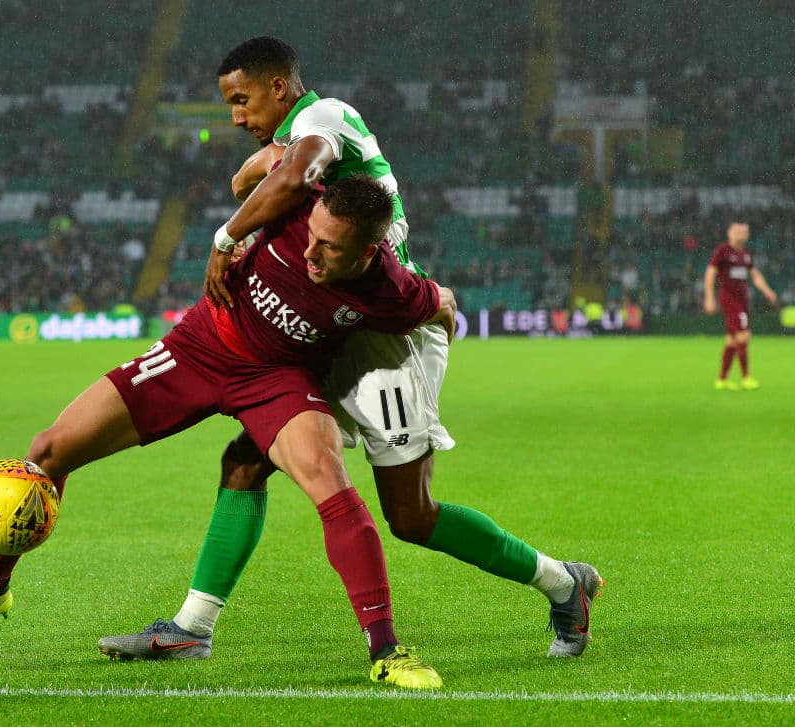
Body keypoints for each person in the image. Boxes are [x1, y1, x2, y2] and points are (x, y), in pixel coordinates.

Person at [101, 36, 602, 663]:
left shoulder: (322, 118)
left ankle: (564, 583)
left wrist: (230, 233)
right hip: (334, 331)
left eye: (241, 100)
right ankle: (192, 627)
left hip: (389, 341)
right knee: (246, 461)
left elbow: (292, 176)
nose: (236, 117)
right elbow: (268, 177)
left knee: (411, 516)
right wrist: (255, 171)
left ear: (278, 86)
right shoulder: (297, 142)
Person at [0, 177, 455, 689]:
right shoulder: (296, 200)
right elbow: (263, 169)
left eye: (330, 249)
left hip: (278, 381)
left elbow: (440, 306)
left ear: (366, 253)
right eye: (311, 238)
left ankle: (386, 650)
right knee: (48, 451)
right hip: (200, 345)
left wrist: (445, 320)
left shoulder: (393, 290)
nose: (311, 253)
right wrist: (228, 238)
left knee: (330, 484)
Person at [703, 218, 778, 390]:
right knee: (744, 335)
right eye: (738, 231)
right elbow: (710, 273)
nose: (741, 235)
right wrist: (709, 298)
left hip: (743, 301)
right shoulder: (723, 251)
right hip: (729, 300)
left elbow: (755, 274)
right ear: (729, 233)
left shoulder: (745, 254)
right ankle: (745, 377)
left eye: (744, 232)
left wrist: (766, 290)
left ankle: (722, 379)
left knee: (731, 340)